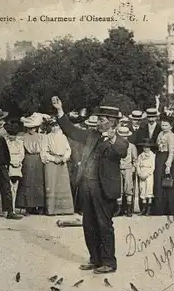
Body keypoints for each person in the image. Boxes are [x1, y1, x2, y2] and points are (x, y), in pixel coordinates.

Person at [53, 96, 128, 274]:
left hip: (104, 190)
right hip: (88, 188)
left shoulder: (119, 140)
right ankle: (95, 259)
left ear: (111, 122)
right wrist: (60, 111)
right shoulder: (92, 135)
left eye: (101, 120)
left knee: (104, 225)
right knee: (89, 224)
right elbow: (71, 131)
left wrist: (112, 139)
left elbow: (122, 151)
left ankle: (109, 262)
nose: (98, 122)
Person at [40, 118, 74, 216]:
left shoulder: (63, 137)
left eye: (57, 126)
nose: (55, 128)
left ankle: (64, 210)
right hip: (51, 162)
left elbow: (68, 150)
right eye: (53, 126)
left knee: (63, 184)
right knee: (51, 184)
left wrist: (64, 157)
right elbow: (43, 151)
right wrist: (53, 159)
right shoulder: (47, 137)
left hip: (62, 162)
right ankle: (51, 210)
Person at [152, 115, 174, 215]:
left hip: (167, 158)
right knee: (158, 182)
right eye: (162, 125)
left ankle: (172, 209)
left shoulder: (172, 135)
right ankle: (159, 209)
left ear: (171, 126)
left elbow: (172, 151)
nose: (164, 127)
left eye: (166, 125)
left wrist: (168, 165)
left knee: (168, 184)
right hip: (159, 158)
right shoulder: (160, 134)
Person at [15, 113, 46, 215]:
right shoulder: (23, 137)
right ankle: (28, 206)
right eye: (29, 128)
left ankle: (39, 205)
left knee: (38, 183)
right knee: (27, 183)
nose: (31, 130)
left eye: (33, 128)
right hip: (27, 160)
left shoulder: (41, 137)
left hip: (38, 160)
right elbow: (21, 150)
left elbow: (43, 150)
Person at [116, 126, 137, 217]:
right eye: (122, 136)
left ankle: (128, 210)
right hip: (118, 169)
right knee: (118, 189)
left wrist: (133, 168)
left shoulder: (132, 146)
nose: (124, 138)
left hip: (128, 169)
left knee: (128, 189)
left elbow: (135, 160)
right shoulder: (115, 145)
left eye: (125, 136)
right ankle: (119, 209)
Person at [5, 119, 25, 214]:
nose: (12, 137)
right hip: (8, 165)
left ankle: (12, 208)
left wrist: (18, 162)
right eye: (10, 134)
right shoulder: (5, 142)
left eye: (14, 134)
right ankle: (9, 208)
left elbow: (22, 154)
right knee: (8, 188)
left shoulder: (20, 142)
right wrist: (10, 162)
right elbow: (4, 154)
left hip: (17, 166)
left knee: (14, 188)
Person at [136, 139, 156, 215]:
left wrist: (147, 174)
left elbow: (153, 167)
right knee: (142, 190)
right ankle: (143, 209)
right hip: (142, 173)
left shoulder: (153, 155)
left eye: (147, 147)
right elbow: (138, 165)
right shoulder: (140, 156)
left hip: (149, 174)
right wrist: (139, 173)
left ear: (150, 148)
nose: (146, 149)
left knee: (149, 190)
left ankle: (149, 209)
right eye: (144, 147)